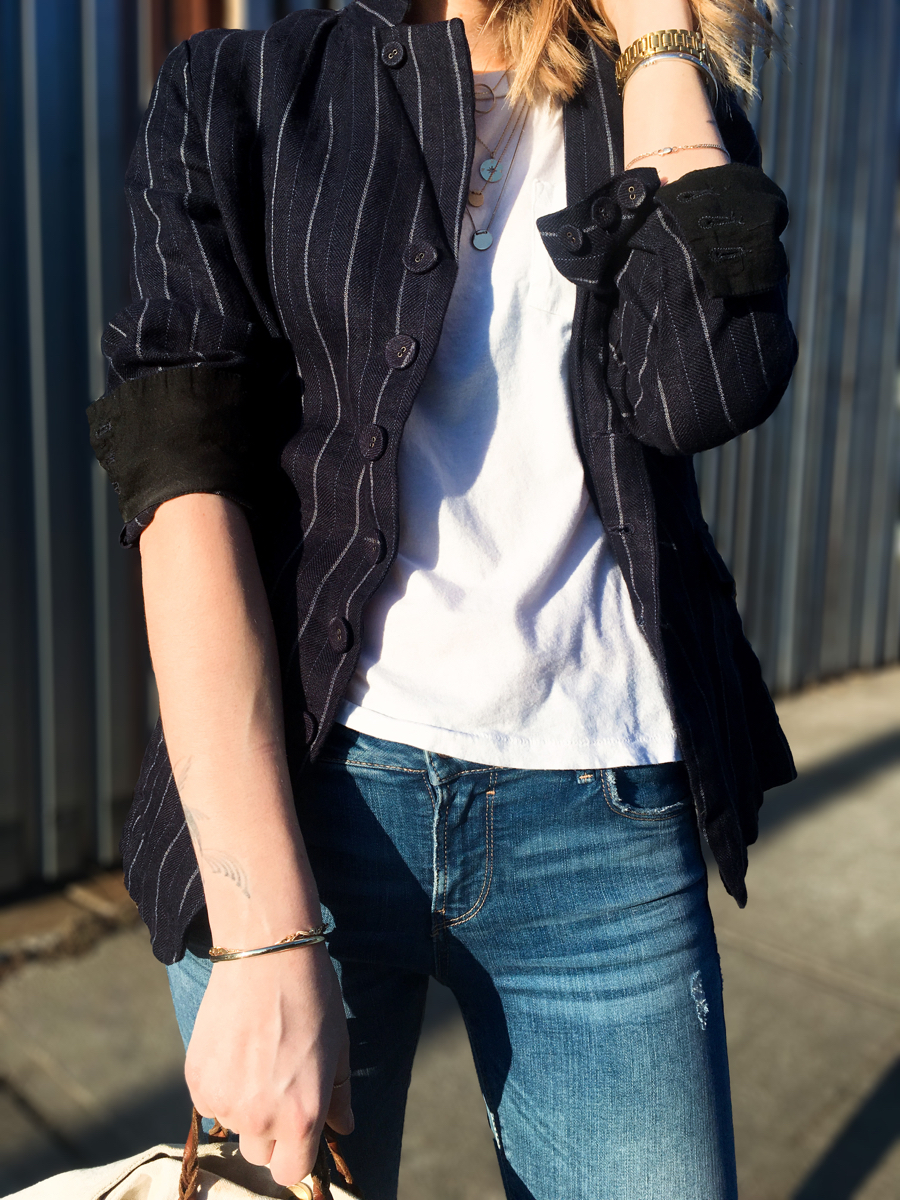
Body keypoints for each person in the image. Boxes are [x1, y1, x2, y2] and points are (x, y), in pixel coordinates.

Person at [88, 0, 797, 1194]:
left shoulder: (661, 103)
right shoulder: (241, 92)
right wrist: (263, 931)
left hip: (604, 829)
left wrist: (660, 38)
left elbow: (702, 389)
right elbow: (181, 480)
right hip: (308, 809)